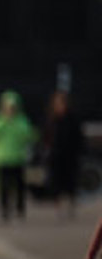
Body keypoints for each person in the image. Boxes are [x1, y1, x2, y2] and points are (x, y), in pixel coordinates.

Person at [0, 90, 37, 222]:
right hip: (3, 158)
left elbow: (27, 135)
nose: (10, 110)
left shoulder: (21, 120)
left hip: (18, 158)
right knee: (4, 185)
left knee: (19, 185)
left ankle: (20, 208)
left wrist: (14, 124)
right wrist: (5, 121)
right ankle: (4, 208)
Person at [42, 90, 85, 218]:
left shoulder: (73, 118)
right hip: (55, 157)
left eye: (62, 103)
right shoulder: (51, 119)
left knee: (70, 183)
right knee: (56, 183)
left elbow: (79, 137)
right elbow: (45, 136)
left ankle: (71, 206)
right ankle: (58, 208)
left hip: (70, 156)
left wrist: (79, 151)